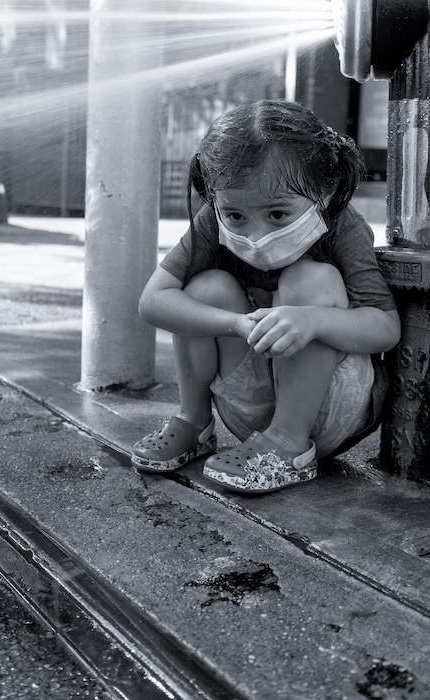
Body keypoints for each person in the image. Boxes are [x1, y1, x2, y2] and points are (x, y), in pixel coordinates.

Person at [131, 99, 400, 494]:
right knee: (205, 291)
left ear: (325, 193)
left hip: (334, 408)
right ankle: (194, 421)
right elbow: (153, 301)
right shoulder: (215, 217)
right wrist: (236, 324)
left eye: (277, 215)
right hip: (247, 415)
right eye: (237, 216)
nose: (255, 235)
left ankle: (289, 441)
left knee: (311, 279)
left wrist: (312, 321)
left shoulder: (342, 226)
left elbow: (385, 326)